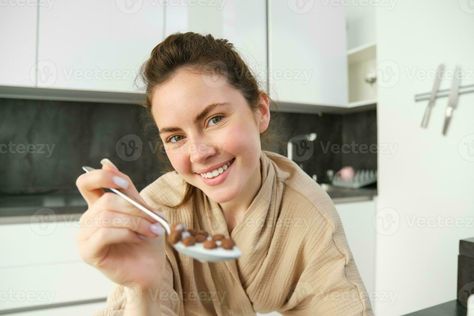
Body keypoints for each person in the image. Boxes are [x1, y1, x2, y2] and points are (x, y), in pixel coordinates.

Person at [75, 32, 373, 315]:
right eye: (176, 137)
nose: (199, 153)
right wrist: (143, 288)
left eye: (215, 119)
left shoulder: (307, 212)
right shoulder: (155, 214)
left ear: (261, 111)